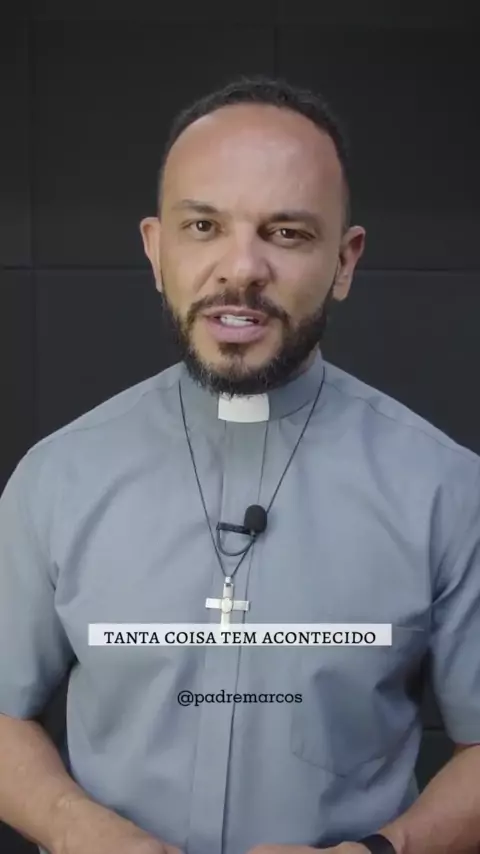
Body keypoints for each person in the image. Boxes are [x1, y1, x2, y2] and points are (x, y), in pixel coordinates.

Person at [0, 74, 479, 854]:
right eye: (203, 226)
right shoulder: (55, 480)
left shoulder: (447, 491)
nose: (242, 268)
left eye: (286, 233)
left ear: (345, 260)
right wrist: (69, 825)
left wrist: (380, 853)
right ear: (156, 250)